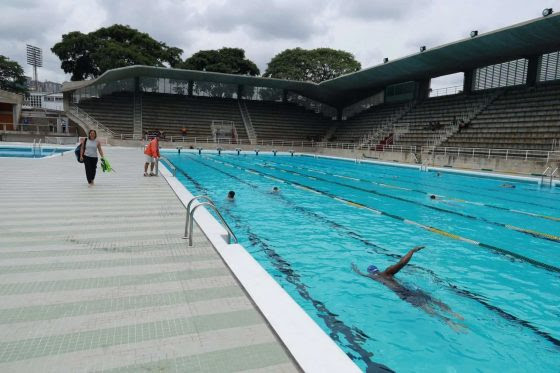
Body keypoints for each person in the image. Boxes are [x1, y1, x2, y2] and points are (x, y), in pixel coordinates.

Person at [352, 246, 465, 331]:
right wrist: (412, 251)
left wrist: (355, 270)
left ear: (371, 273)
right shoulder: (387, 273)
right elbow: (401, 263)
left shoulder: (373, 277)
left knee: (427, 309)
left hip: (404, 294)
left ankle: (449, 322)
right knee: (433, 300)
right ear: (378, 270)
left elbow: (361, 274)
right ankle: (454, 314)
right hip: (411, 289)